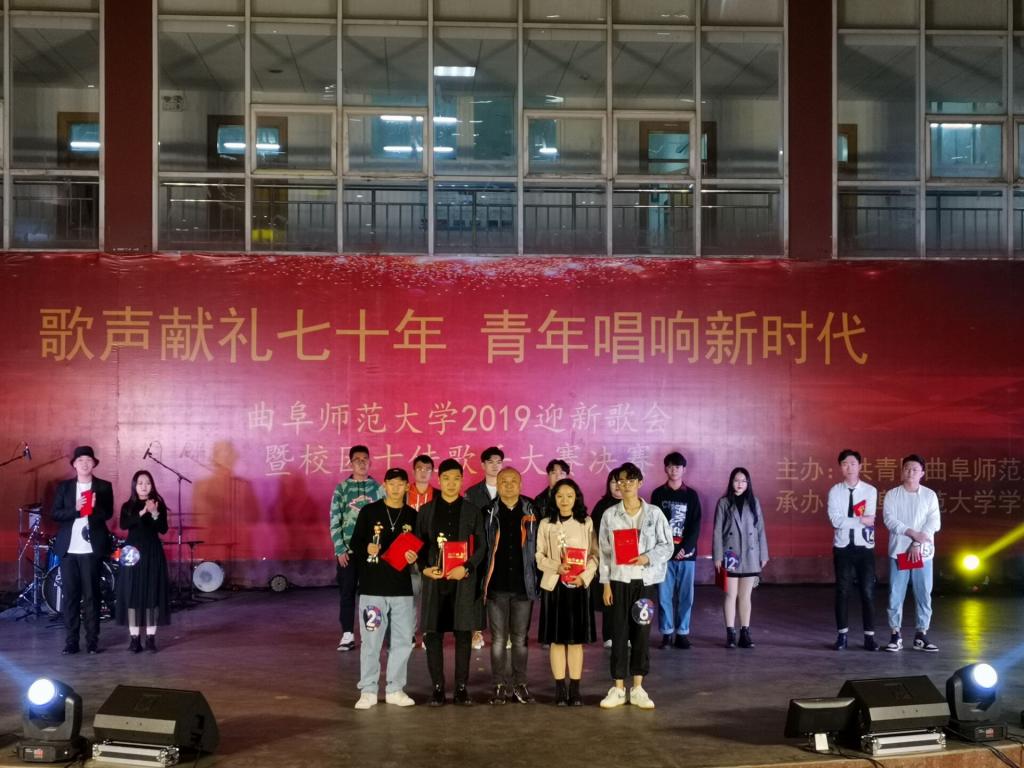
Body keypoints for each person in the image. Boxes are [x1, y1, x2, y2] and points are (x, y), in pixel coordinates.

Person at [598, 463, 672, 709]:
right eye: (621, 481)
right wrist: (605, 584)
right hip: (619, 582)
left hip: (645, 582)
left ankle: (638, 687)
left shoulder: (654, 514)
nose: (626, 485)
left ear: (640, 483)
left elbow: (667, 546)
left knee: (641, 633)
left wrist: (647, 557)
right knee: (618, 634)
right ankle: (618, 688)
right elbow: (604, 553)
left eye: (631, 480)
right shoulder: (610, 515)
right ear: (616, 484)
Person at [416, 458, 487, 705]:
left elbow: (482, 546)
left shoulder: (472, 511)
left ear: (461, 480)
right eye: (446, 478)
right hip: (435, 581)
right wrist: (424, 569)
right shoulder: (426, 511)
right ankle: (437, 688)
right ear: (439, 480)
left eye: (456, 478)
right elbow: (418, 545)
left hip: (462, 581)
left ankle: (461, 688)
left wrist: (466, 568)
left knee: (463, 634)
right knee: (433, 635)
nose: (451, 483)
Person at [350, 468, 419, 709]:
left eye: (401, 484)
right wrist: (367, 548)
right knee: (371, 641)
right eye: (392, 483)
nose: (396, 488)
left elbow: (418, 548)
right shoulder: (369, 512)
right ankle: (368, 690)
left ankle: (395, 689)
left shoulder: (412, 516)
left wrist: (413, 557)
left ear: (407, 486)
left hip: (402, 589)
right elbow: (355, 543)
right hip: (373, 590)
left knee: (402, 641)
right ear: (384, 485)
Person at [536, 478, 597, 706]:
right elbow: (538, 555)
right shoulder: (546, 524)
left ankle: (576, 689)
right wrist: (556, 566)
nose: (564, 500)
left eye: (569, 496)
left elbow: (595, 555)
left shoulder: (586, 522)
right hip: (554, 587)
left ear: (576, 498)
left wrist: (584, 577)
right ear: (554, 498)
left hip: (578, 586)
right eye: (560, 496)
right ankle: (560, 688)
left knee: (575, 641)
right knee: (556, 641)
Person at [482, 467, 539, 704]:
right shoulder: (488, 511)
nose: (508, 485)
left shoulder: (532, 511)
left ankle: (520, 684)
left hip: (523, 585)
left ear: (521, 484)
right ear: (497, 485)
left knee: (520, 639)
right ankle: (498, 685)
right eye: (503, 481)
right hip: (496, 585)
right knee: (497, 639)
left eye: (513, 481)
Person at [51, 445, 114, 655]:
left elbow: (108, 514)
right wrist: (76, 509)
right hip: (69, 550)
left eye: (88, 460)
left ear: (94, 463)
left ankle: (92, 641)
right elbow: (55, 514)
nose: (84, 464)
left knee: (91, 596)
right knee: (70, 597)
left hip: (91, 549)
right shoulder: (65, 487)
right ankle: (71, 642)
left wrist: (93, 509)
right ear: (74, 465)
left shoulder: (104, 486)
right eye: (80, 460)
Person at [883, 454, 941, 653]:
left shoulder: (929, 495)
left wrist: (917, 542)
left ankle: (921, 634)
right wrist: (911, 533)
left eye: (915, 469)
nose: (910, 472)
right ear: (902, 471)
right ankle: (895, 634)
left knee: (923, 593)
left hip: (922, 553)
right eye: (907, 468)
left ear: (922, 473)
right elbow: (890, 520)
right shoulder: (892, 495)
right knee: (896, 594)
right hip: (900, 551)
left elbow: (934, 522)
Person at [329, 445, 383, 652]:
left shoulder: (378, 488)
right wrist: (339, 549)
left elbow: (383, 520)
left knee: (372, 594)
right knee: (347, 592)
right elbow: (334, 519)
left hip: (371, 552)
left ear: (370, 462)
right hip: (348, 553)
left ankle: (372, 633)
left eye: (365, 459)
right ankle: (347, 634)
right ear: (350, 463)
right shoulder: (342, 489)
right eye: (357, 459)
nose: (361, 462)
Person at [827, 449, 879, 651]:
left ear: (860, 466)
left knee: (867, 591)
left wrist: (852, 521)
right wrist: (859, 520)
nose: (849, 467)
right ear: (840, 467)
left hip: (865, 547)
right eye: (845, 464)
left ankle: (869, 637)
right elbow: (835, 521)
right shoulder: (835, 491)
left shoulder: (870, 491)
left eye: (853, 463)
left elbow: (870, 519)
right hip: (842, 548)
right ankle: (842, 636)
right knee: (842, 591)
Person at [713, 467, 769, 650]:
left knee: (746, 596)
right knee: (730, 595)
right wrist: (717, 556)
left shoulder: (754, 502)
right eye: (737, 480)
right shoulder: (723, 503)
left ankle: (745, 633)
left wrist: (763, 554)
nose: (740, 484)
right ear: (731, 482)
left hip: (750, 555)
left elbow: (760, 529)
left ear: (748, 483)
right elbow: (717, 531)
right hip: (731, 555)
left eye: (744, 481)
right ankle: (730, 633)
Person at [651, 451, 702, 650]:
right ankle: (666, 633)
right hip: (664, 555)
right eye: (671, 466)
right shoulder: (658, 494)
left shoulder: (691, 495)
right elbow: (654, 524)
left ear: (684, 469)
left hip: (686, 555)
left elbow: (695, 525)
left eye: (678, 467)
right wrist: (667, 549)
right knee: (664, 596)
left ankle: (682, 633)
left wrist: (684, 548)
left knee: (686, 596)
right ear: (665, 468)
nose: (674, 470)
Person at [115, 470, 170, 652]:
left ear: (152, 485)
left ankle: (151, 639)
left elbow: (163, 529)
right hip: (131, 551)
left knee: (151, 593)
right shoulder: (127, 506)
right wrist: (143, 511)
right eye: (140, 483)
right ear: (134, 486)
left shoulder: (158, 504)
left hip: (152, 550)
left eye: (147, 483)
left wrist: (154, 513)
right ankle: (134, 639)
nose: (144, 486)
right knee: (132, 593)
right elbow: (124, 525)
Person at [465, 446, 504, 650]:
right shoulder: (472, 493)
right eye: (490, 462)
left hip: (502, 550)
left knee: (501, 591)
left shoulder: (508, 490)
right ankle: (476, 631)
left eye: (498, 462)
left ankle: (503, 634)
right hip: (479, 549)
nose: (495, 466)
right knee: (477, 590)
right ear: (482, 465)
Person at [589, 469, 622, 648]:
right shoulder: (602, 506)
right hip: (606, 559)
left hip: (628, 561)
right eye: (613, 482)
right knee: (608, 597)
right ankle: (608, 635)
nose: (617, 486)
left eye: (621, 481)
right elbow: (593, 533)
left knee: (625, 598)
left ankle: (626, 635)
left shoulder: (633, 504)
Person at [407, 454, 437, 648]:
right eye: (419, 468)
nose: (423, 472)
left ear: (432, 472)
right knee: (409, 597)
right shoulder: (403, 493)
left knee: (430, 597)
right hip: (407, 554)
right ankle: (409, 634)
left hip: (430, 554)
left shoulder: (438, 495)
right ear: (413, 471)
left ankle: (428, 634)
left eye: (427, 469)